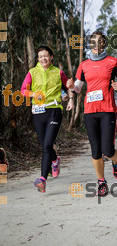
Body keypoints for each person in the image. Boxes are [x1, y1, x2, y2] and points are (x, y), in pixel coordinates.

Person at [67, 31, 117, 196]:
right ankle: (101, 182)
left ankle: (116, 160)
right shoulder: (84, 65)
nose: (96, 43)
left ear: (104, 43)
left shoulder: (113, 62)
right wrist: (72, 86)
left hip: (107, 110)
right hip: (90, 111)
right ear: (90, 43)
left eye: (100, 40)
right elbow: (78, 88)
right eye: (93, 41)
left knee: (107, 150)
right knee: (95, 150)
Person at [21, 46, 74, 193]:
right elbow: (23, 90)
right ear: (38, 59)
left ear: (51, 57)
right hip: (38, 112)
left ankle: (43, 179)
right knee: (45, 144)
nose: (43, 58)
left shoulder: (58, 72)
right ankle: (55, 160)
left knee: (47, 145)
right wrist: (34, 94)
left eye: (46, 56)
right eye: (40, 56)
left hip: (54, 110)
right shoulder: (32, 72)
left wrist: (69, 99)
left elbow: (68, 87)